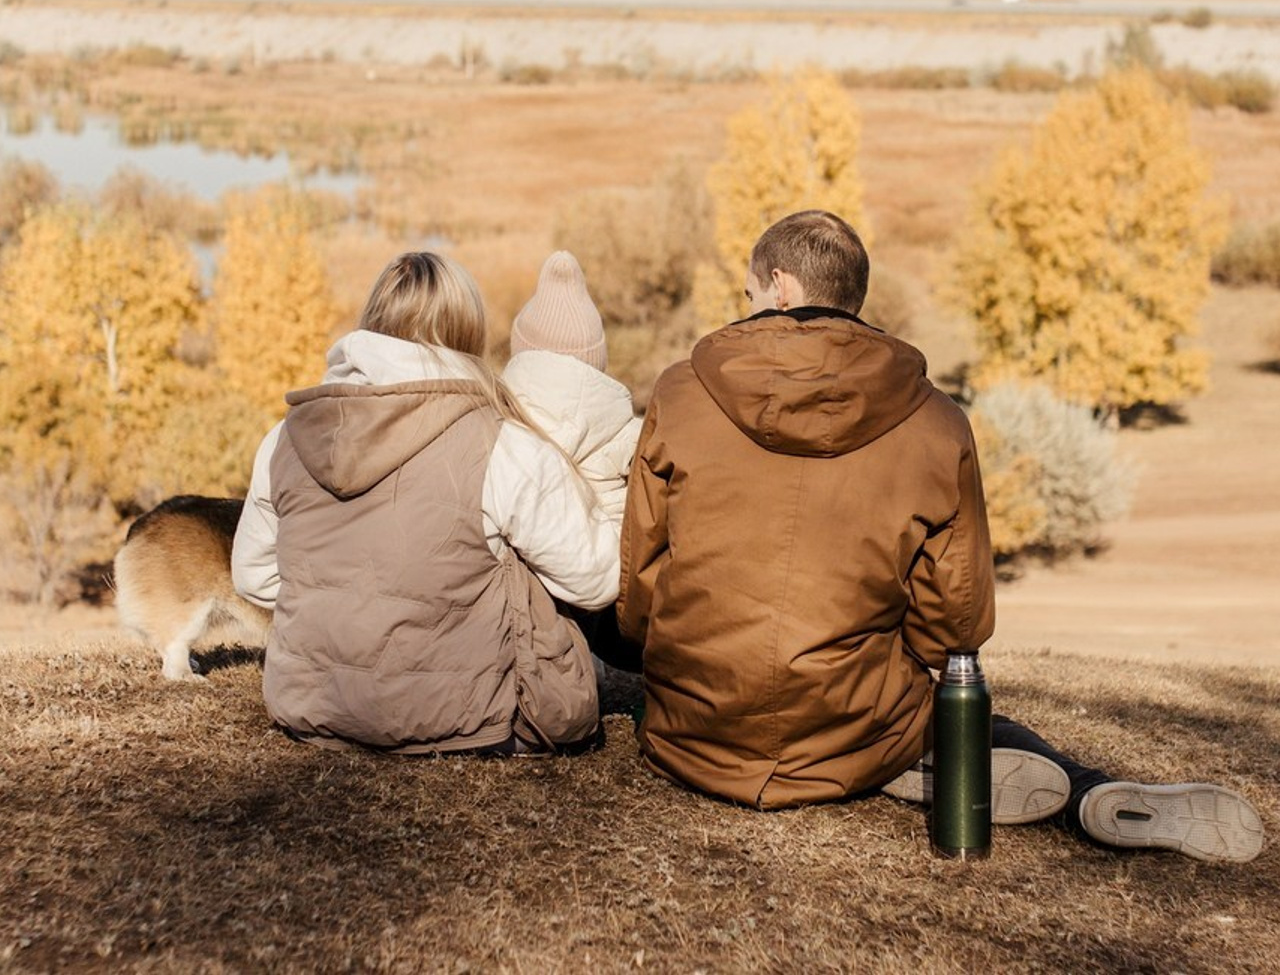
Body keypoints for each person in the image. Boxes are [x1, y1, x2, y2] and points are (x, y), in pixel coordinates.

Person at [617, 209, 1263, 863]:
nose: (748, 307)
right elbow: (956, 626)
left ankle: (921, 762)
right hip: (855, 725)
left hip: (693, 731)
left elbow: (640, 580)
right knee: (958, 715)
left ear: (781, 288)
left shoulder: (680, 392)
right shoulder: (935, 418)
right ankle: (1085, 790)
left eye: (750, 293)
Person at [231, 250, 619, 756]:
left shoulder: (284, 438)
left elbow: (253, 577)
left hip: (311, 709)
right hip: (466, 722)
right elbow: (596, 580)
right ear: (467, 332)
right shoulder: (501, 444)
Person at [503, 250, 642, 524]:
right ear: (596, 360)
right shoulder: (636, 437)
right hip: (619, 562)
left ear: (520, 352)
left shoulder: (492, 427)